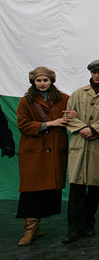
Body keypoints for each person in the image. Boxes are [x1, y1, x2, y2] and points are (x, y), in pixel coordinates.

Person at [15, 67, 70, 246]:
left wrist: (73, 115)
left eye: (45, 80)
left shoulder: (64, 99)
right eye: (38, 80)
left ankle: (36, 227)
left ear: (51, 81)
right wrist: (49, 124)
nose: (42, 83)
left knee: (47, 191)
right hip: (34, 151)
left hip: (54, 150)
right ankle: (30, 228)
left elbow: (73, 117)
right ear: (33, 82)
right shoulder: (26, 101)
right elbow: (23, 124)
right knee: (31, 191)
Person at [63, 59, 99, 243]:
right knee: (76, 189)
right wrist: (82, 128)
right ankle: (74, 228)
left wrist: (94, 130)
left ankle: (88, 224)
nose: (97, 76)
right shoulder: (78, 93)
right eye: (94, 72)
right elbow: (68, 115)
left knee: (94, 188)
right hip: (80, 145)